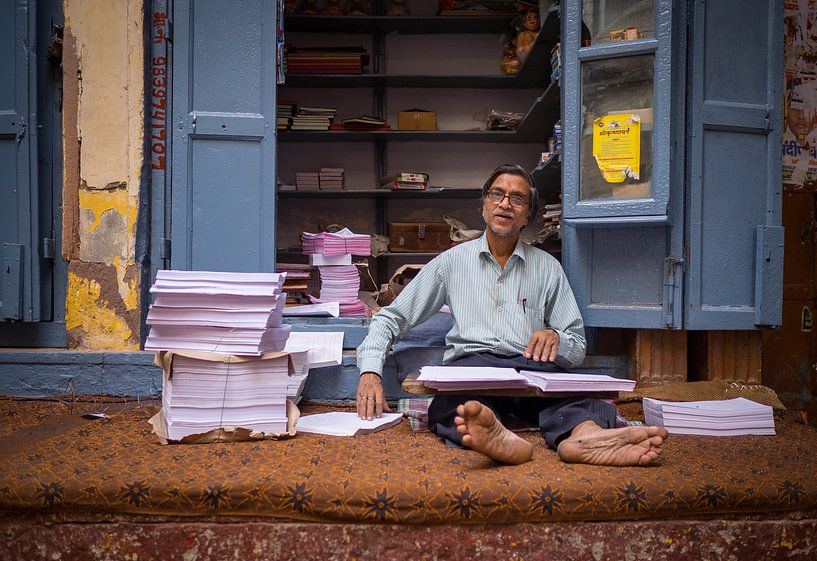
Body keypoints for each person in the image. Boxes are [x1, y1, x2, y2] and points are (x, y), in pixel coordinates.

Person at [355, 163, 668, 466]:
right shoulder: (450, 263)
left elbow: (576, 348)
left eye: (517, 198)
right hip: (473, 369)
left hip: (532, 370)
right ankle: (500, 438)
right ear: (484, 205)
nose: (505, 204)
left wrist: (556, 338)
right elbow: (390, 318)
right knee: (455, 406)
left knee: (579, 404)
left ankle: (584, 437)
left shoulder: (548, 268)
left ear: (528, 215)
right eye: (497, 194)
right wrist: (370, 371)